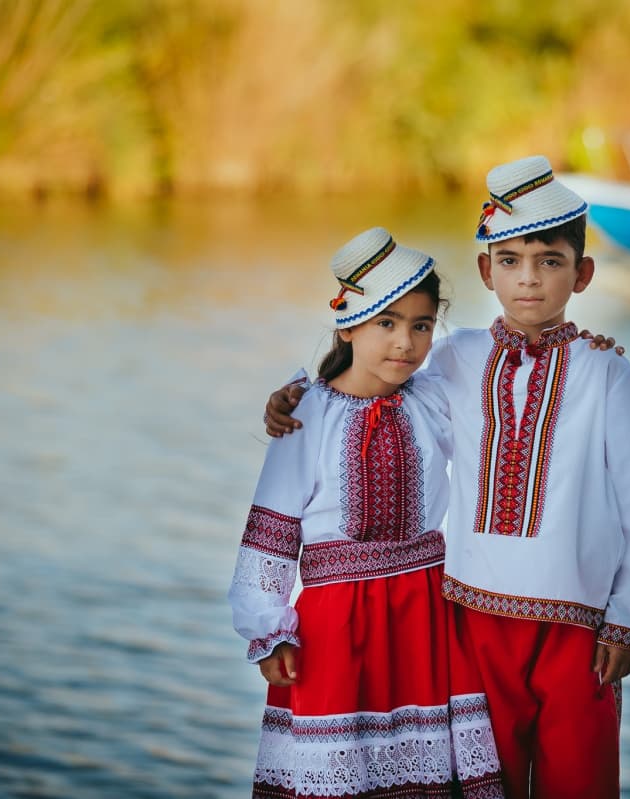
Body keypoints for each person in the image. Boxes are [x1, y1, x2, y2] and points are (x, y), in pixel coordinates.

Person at [266, 156, 630, 798]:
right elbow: (376, 386)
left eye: (550, 261)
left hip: (579, 629)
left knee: (579, 780)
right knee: (483, 785)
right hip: (471, 621)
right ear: (486, 270)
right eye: (509, 261)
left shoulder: (609, 375)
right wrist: (299, 394)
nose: (528, 280)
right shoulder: (455, 356)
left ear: (582, 273)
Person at [227, 227, 505, 799]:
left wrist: (584, 344)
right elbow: (269, 537)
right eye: (387, 323)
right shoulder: (306, 416)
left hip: (426, 613)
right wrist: (269, 631)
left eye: (421, 325)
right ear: (348, 325)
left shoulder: (434, 396)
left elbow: (509, 351)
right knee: (340, 775)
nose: (405, 342)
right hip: (338, 626)